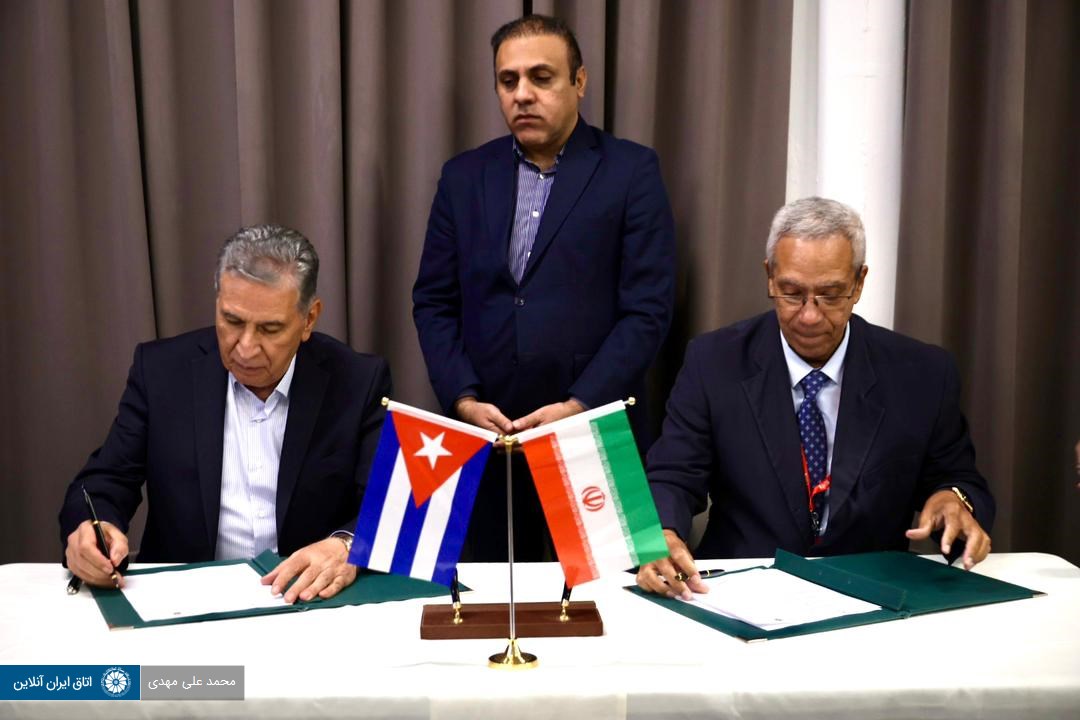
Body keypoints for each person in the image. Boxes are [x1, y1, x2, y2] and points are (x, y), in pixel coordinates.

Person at [412, 15, 675, 560]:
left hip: (592, 438)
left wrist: (580, 403)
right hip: (483, 437)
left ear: (579, 81)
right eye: (508, 81)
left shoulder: (631, 171)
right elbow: (433, 302)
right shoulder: (463, 176)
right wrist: (463, 398)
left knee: (603, 602)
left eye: (541, 77)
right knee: (482, 598)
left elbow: (647, 311)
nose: (523, 94)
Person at [638, 197, 994, 599]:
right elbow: (672, 474)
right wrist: (662, 534)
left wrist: (954, 500)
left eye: (831, 295)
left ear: (859, 283)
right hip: (742, 590)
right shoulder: (714, 362)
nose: (809, 315)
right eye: (792, 293)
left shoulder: (922, 373)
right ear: (770, 277)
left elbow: (960, 480)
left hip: (872, 594)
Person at [60, 225, 391, 603]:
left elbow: (392, 504)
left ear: (309, 319)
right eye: (232, 321)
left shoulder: (357, 380)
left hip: (306, 598)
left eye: (270, 329)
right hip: (185, 602)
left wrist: (346, 545)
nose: (245, 348)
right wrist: (93, 528)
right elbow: (107, 480)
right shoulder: (162, 371)